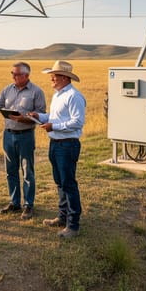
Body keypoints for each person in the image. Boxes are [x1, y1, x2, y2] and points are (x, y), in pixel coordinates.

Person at [0, 62, 46, 220]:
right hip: (8, 135)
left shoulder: (36, 92)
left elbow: (41, 116)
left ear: (26, 76)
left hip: (26, 135)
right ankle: (15, 202)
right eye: (12, 73)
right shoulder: (7, 90)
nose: (13, 76)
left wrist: (24, 118)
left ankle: (28, 205)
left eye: (16, 74)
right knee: (10, 171)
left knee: (27, 172)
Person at [30, 60, 86, 238]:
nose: (51, 78)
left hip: (67, 145)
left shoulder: (73, 96)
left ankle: (73, 225)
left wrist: (53, 126)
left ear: (64, 77)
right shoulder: (58, 95)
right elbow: (55, 117)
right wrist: (40, 116)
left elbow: (77, 122)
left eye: (54, 76)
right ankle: (62, 217)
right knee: (60, 182)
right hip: (55, 144)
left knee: (68, 184)